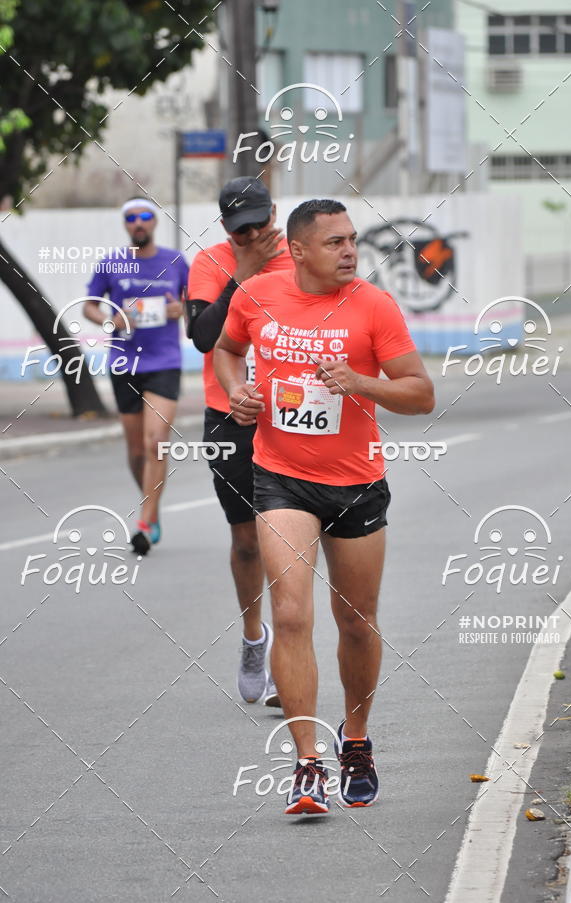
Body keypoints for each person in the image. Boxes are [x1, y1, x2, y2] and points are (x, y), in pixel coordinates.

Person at [214, 199, 434, 815]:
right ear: (300, 250)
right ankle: (307, 762)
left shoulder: (373, 306)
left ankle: (356, 742)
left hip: (357, 482)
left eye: (352, 240)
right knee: (289, 615)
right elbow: (227, 350)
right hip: (281, 476)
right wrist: (239, 393)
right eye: (334, 242)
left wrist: (362, 383)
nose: (349, 251)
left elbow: (421, 395)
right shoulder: (258, 293)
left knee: (356, 622)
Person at [186, 177, 292, 706]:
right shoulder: (211, 262)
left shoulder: (301, 258)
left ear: (274, 212)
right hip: (229, 419)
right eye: (240, 230)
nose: (252, 235)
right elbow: (204, 336)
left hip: (294, 419)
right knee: (248, 540)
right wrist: (243, 276)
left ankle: (283, 664)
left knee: (286, 540)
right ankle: (255, 637)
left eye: (259, 224)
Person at [84, 198, 189, 555]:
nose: (138, 223)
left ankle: (145, 519)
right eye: (131, 218)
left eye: (145, 216)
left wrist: (181, 309)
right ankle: (152, 506)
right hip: (124, 363)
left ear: (154, 221)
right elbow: (89, 305)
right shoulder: (112, 262)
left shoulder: (174, 261)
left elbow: (196, 302)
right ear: (126, 224)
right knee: (135, 450)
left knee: (155, 440)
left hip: (164, 362)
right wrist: (111, 320)